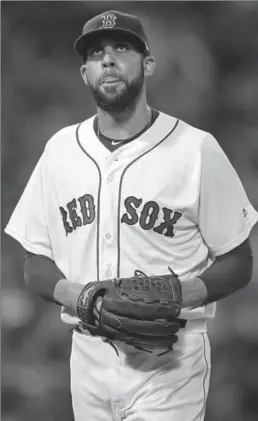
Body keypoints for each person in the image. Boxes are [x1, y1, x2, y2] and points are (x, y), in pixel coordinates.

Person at [5, 9, 258, 421]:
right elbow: (35, 261)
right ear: (84, 73)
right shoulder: (60, 151)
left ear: (149, 63)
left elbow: (238, 260)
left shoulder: (196, 149)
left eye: (122, 47)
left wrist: (180, 294)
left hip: (170, 362)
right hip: (86, 359)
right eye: (95, 53)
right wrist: (81, 296)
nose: (108, 59)